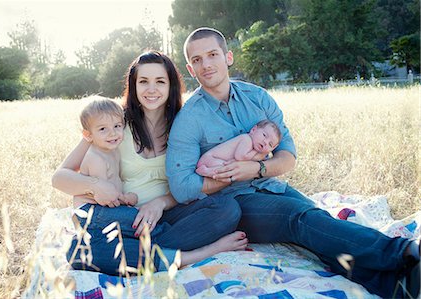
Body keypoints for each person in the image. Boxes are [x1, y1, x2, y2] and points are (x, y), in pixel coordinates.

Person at [165, 27, 420, 298]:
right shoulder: (189, 119)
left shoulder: (258, 98)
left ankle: (396, 286)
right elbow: (182, 187)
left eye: (212, 54)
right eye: (196, 60)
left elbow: (288, 156)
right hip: (234, 202)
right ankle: (403, 252)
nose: (205, 64)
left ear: (228, 57)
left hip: (271, 186)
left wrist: (258, 168)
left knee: (318, 223)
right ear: (190, 70)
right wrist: (232, 175)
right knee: (298, 218)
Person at [52, 51, 247, 276]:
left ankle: (142, 252)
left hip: (170, 215)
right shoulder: (113, 124)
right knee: (78, 250)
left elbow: (193, 182)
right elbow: (60, 178)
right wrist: (95, 185)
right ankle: (191, 254)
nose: (151, 89)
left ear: (171, 85)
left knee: (227, 209)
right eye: (143, 81)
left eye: (160, 81)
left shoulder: (186, 123)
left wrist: (160, 203)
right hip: (125, 217)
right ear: (133, 86)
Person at [75, 98, 138, 209]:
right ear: (88, 135)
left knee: (137, 216)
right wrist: (127, 199)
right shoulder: (96, 159)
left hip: (109, 204)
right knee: (136, 218)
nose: (112, 133)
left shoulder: (114, 151)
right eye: (103, 129)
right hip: (92, 209)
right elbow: (105, 196)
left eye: (117, 126)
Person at [196, 119, 281, 177]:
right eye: (264, 135)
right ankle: (205, 171)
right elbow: (240, 157)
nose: (265, 142)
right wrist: (257, 152)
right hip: (209, 159)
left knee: (230, 169)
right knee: (227, 169)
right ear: (254, 130)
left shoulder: (251, 144)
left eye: (270, 144)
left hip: (215, 161)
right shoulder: (246, 139)